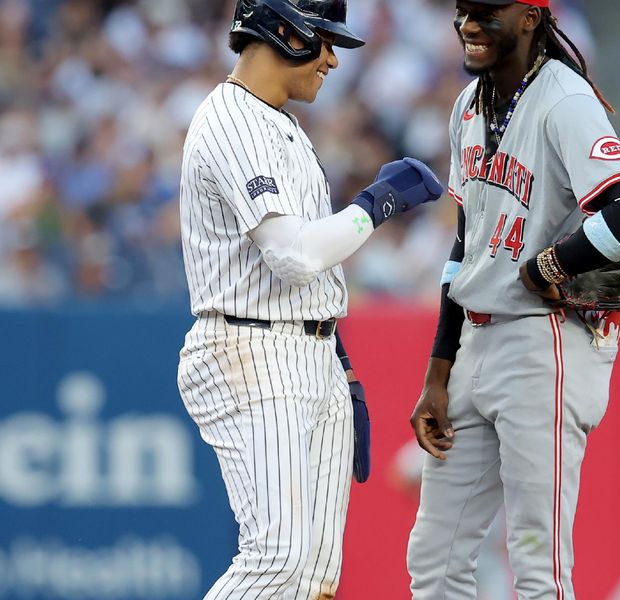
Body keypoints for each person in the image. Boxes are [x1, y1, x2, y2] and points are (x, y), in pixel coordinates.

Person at [175, 1, 443, 598]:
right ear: (283, 31)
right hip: (249, 348)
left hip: (305, 346)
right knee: (280, 559)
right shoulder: (231, 122)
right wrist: (377, 206)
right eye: (323, 40)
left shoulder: (279, 121)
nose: (330, 58)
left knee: (315, 577)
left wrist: (337, 357)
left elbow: (305, 271)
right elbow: (292, 255)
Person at [407, 1, 620, 599]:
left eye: (485, 11)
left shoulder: (564, 100)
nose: (469, 23)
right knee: (435, 560)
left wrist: (553, 264)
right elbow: (466, 241)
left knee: (536, 566)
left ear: (529, 16)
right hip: (475, 340)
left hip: (542, 342)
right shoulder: (468, 106)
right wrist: (438, 370)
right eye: (463, 10)